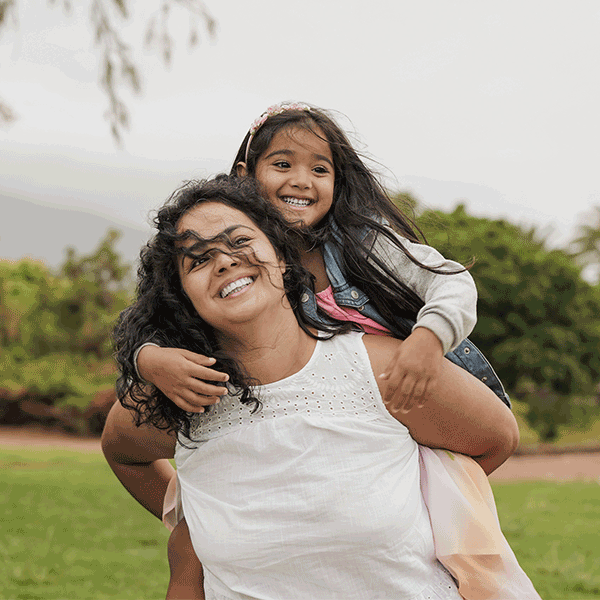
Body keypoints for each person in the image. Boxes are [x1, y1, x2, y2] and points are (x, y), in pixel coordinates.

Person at [103, 175, 540, 600]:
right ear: (181, 293)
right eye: (197, 259)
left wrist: (430, 499)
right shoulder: (182, 394)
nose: (223, 261)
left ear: (280, 252)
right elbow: (123, 452)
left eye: (239, 242)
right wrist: (191, 524)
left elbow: (495, 438)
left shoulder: (378, 366)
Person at [133, 102, 510, 418]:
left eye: (319, 169)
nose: (302, 180)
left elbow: (452, 280)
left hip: (427, 403)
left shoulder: (362, 242)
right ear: (245, 177)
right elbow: (158, 314)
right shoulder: (235, 265)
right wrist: (150, 362)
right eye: (282, 165)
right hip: (341, 420)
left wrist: (429, 339)